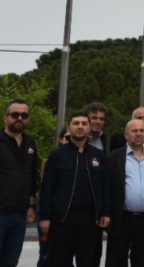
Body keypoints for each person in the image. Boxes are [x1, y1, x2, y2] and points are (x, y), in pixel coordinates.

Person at [41, 112, 111, 267]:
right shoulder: (57, 155)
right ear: (69, 127)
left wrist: (106, 212)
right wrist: (45, 216)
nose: (80, 127)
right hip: (63, 219)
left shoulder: (99, 156)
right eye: (76, 123)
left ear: (89, 128)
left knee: (89, 261)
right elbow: (47, 187)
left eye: (84, 124)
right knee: (59, 261)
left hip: (91, 220)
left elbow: (105, 186)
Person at [0, 99, 40, 267]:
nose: (19, 118)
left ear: (28, 119)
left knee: (11, 262)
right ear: (5, 118)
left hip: (20, 215)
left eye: (24, 115)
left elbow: (32, 177)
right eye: (15, 114)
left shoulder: (30, 144)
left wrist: (30, 206)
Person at [107, 119, 144, 267]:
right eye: (134, 131)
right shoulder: (114, 157)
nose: (138, 134)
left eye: (142, 131)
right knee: (117, 260)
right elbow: (107, 187)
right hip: (122, 218)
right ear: (126, 135)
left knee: (142, 260)